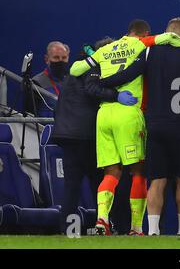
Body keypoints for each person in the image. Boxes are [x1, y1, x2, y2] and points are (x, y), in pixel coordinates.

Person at [69, 19, 180, 235]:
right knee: (138, 171)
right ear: (144, 34)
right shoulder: (141, 44)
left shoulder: (106, 49)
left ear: (128, 31)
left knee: (111, 172)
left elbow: (76, 69)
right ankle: (136, 227)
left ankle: (102, 220)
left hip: (104, 115)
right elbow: (170, 37)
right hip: (128, 113)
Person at [99, 18, 180, 236]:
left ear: (165, 34)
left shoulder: (149, 53)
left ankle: (153, 231)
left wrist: (100, 82)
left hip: (154, 125)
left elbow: (125, 75)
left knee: (156, 180)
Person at [51, 37, 138, 234]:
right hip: (87, 137)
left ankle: (67, 231)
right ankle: (105, 225)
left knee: (72, 187)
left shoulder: (76, 69)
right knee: (100, 184)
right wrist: (116, 96)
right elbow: (93, 91)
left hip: (68, 136)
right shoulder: (96, 69)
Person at [28, 41, 70, 117]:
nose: (60, 61)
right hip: (45, 127)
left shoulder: (73, 81)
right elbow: (30, 115)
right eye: (56, 57)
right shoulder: (37, 83)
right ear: (47, 59)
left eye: (64, 58)